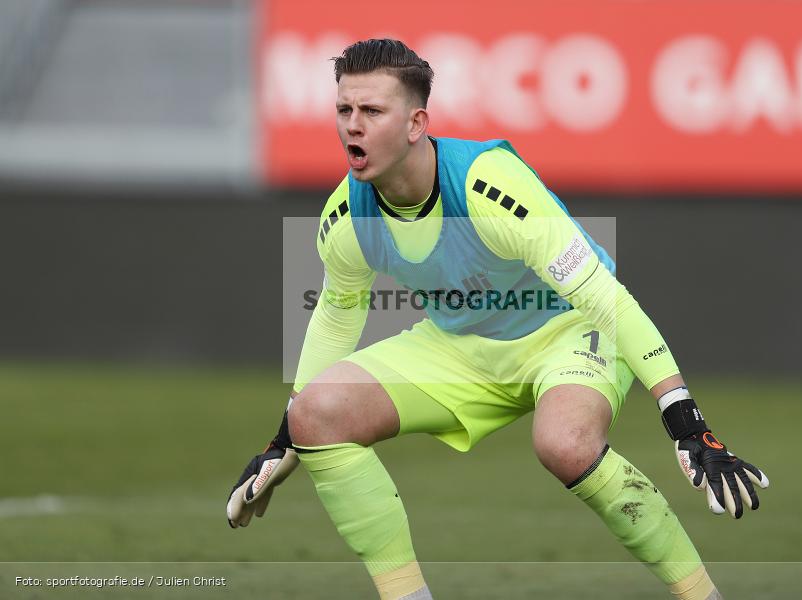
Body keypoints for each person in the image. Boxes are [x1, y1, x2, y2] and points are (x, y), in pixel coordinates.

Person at [226, 39, 769, 600]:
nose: (352, 128)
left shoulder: (491, 184)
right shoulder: (345, 215)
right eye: (344, 111)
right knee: (317, 413)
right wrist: (284, 439)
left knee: (564, 444)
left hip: (565, 330)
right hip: (459, 344)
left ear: (416, 123)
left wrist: (685, 422)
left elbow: (606, 300)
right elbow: (337, 320)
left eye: (372, 112)